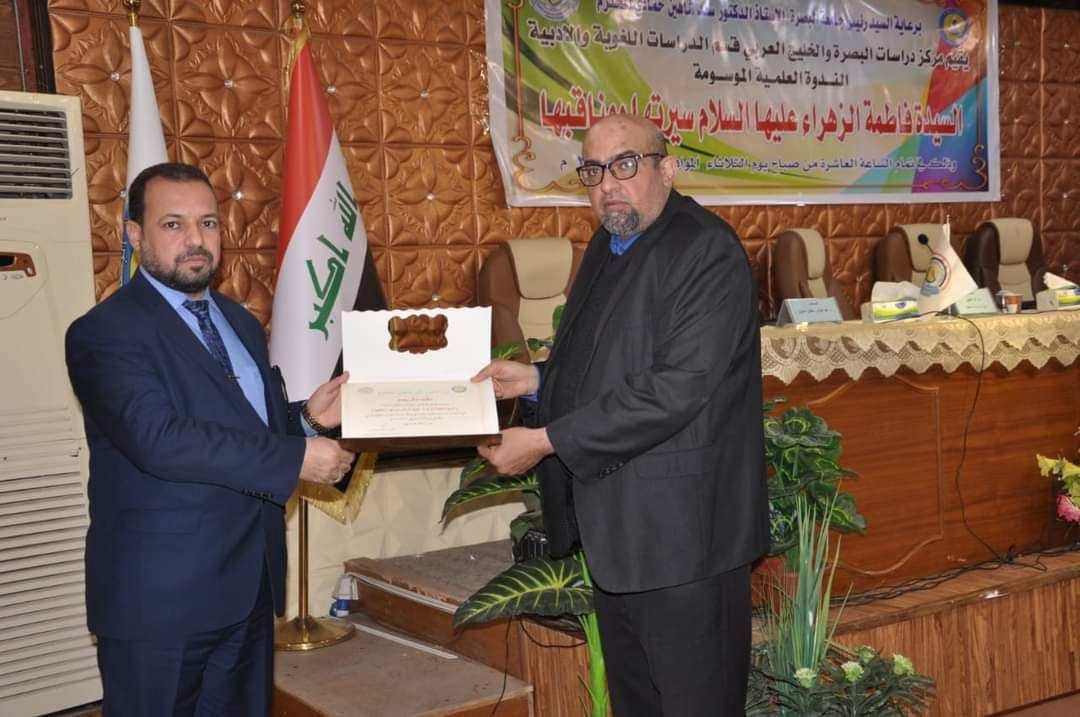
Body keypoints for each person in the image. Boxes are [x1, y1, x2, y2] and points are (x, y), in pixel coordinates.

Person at [473, 114, 769, 715]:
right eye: (593, 170)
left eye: (625, 164)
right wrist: (536, 379)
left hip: (687, 545)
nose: (608, 184)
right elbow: (603, 363)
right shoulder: (610, 243)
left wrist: (546, 440)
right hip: (621, 540)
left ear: (668, 168)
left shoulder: (705, 250)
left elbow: (672, 390)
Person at [65, 162, 356, 716]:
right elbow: (160, 439)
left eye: (208, 223)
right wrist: (295, 456)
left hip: (247, 586)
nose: (195, 240)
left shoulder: (239, 321)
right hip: (161, 600)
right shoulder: (104, 332)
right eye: (173, 224)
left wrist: (305, 420)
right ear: (135, 234)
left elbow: (243, 427)